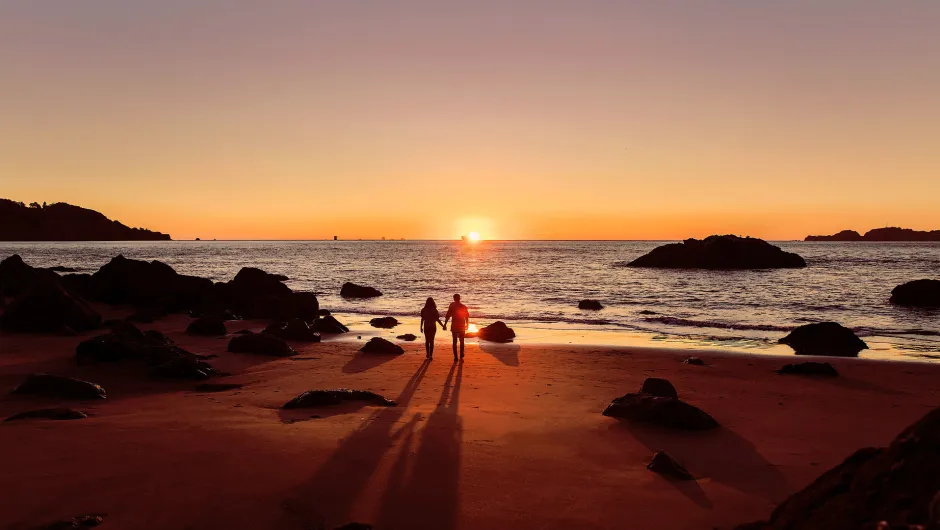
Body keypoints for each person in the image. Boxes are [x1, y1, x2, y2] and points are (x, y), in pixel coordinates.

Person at [443, 293, 470, 361]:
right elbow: (466, 316)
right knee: (462, 341)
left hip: (454, 326)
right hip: (461, 325)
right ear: (459, 298)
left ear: (454, 299)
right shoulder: (463, 306)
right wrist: (467, 324)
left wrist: (445, 324)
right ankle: (461, 355)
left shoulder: (452, 306)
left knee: (454, 341)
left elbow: (448, 316)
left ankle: (455, 357)